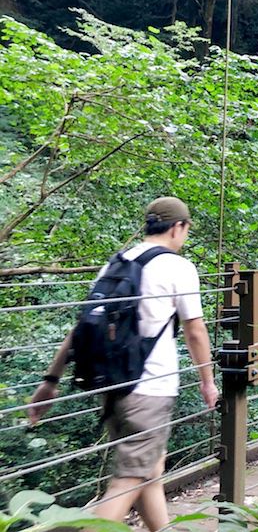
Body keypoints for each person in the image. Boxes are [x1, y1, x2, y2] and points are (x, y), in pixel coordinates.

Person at [28, 197, 218, 532]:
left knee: (149, 468)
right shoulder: (177, 267)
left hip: (115, 384)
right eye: (186, 230)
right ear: (178, 227)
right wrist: (207, 379)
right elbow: (195, 330)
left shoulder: (117, 262)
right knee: (129, 479)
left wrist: (51, 379)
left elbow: (83, 325)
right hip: (151, 387)